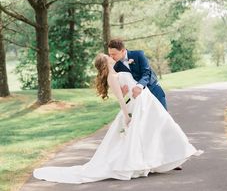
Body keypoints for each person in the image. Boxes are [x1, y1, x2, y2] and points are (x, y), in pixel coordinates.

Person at [33, 53, 203, 184]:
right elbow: (121, 99)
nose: (112, 57)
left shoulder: (118, 71)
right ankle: (141, 162)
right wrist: (127, 115)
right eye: (109, 57)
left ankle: (165, 157)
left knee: (158, 128)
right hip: (134, 107)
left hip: (144, 102)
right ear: (105, 63)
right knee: (146, 133)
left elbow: (126, 87)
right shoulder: (112, 77)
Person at [108, 38, 167, 109]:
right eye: (110, 54)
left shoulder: (138, 54)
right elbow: (120, 88)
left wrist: (139, 86)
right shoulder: (116, 67)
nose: (111, 57)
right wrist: (122, 93)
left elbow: (146, 72)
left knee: (162, 117)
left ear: (123, 50)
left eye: (114, 54)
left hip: (153, 89)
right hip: (138, 98)